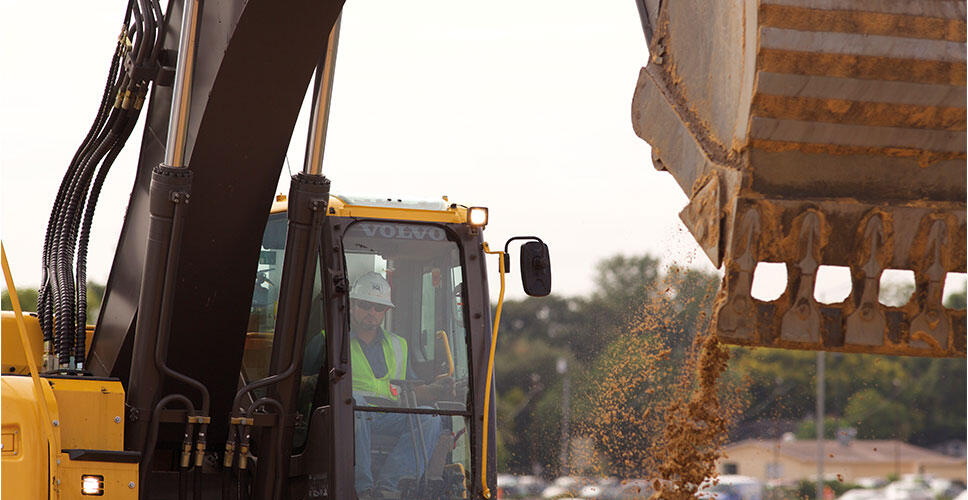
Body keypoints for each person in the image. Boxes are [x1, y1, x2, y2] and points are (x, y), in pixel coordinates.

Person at [345, 272, 451, 498]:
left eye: (379, 308)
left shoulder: (397, 345)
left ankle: (390, 488)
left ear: (386, 311)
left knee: (430, 417)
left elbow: (410, 391)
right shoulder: (333, 340)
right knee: (355, 404)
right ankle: (361, 489)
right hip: (350, 417)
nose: (372, 313)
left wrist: (434, 390)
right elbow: (307, 382)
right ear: (352, 304)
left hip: (389, 415)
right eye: (365, 305)